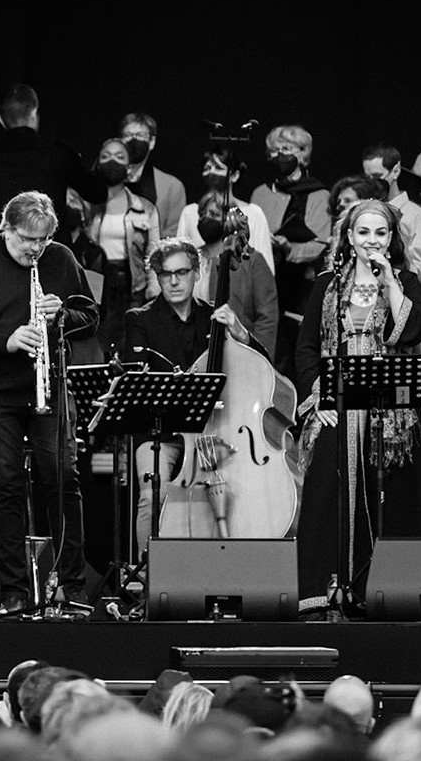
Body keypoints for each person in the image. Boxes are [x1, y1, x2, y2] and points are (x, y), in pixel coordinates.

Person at [0, 191, 100, 617]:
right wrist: (5, 341)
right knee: (7, 486)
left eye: (43, 240)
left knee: (63, 479)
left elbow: (91, 317)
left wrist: (63, 314)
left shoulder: (62, 259)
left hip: (48, 386)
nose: (35, 249)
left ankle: (72, 585)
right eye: (27, 239)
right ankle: (13, 591)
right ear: (6, 227)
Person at [293, 199, 421, 613]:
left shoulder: (404, 281)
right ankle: (323, 590)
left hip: (392, 410)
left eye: (380, 233)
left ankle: (386, 591)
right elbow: (307, 348)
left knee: (392, 495)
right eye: (363, 232)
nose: (372, 240)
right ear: (349, 237)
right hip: (336, 403)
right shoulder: (326, 286)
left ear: (391, 239)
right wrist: (318, 398)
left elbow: (412, 332)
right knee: (327, 486)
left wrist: (390, 283)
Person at [120, 237, 272, 549]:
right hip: (160, 434)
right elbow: (136, 379)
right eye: (166, 274)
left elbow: (261, 366)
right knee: (152, 493)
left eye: (182, 272)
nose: (174, 281)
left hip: (218, 431)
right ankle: (150, 572)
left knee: (247, 488)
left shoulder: (215, 317)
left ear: (197, 272)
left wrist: (240, 333)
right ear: (158, 277)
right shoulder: (140, 319)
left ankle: (235, 562)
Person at [0, 84, 107, 240]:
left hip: (3, 259)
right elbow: (97, 193)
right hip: (52, 258)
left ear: (1, 120)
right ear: (34, 113)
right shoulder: (58, 153)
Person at [250, 124, 332, 373]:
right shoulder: (259, 193)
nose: (280, 155)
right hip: (266, 279)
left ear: (303, 153)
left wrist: (289, 248)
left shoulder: (319, 194)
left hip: (301, 284)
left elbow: (321, 242)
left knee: (299, 345)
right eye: (275, 150)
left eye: (287, 149)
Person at [75, 138, 163, 366]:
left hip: (132, 283)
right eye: (106, 156)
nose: (112, 161)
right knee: (96, 348)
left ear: (129, 167)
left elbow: (153, 252)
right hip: (95, 283)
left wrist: (154, 287)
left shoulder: (144, 208)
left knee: (129, 347)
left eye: (119, 157)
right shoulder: (84, 205)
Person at [190, 193, 280, 358]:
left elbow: (267, 317)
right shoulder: (190, 258)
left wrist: (259, 357)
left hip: (241, 353)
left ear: (229, 222)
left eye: (214, 214)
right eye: (202, 215)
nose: (206, 219)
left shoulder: (252, 261)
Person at [362, 144, 421, 285]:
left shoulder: (417, 217)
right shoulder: (364, 211)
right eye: (367, 177)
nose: (372, 183)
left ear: (395, 171)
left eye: (377, 176)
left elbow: (419, 272)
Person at [118, 113, 187, 242]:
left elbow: (174, 233)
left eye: (140, 135)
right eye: (128, 135)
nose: (133, 140)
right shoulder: (106, 180)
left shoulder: (172, 186)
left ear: (152, 142)